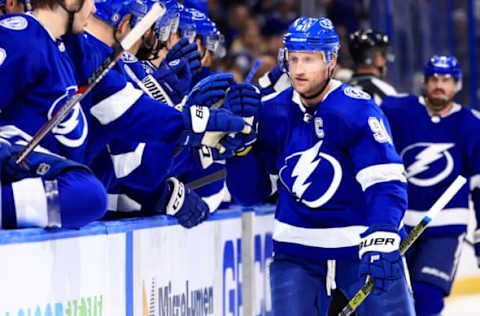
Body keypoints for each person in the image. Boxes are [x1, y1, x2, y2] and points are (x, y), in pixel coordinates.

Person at [225, 17, 415, 315]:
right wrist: (240, 151)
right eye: (294, 58)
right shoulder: (272, 112)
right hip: (295, 256)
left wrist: (383, 231)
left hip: (362, 252)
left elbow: (385, 182)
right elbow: (251, 194)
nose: (298, 69)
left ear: (331, 60)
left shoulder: (357, 110)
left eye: (309, 60)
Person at [381, 55, 480, 316]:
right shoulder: (399, 111)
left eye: (446, 80)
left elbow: (479, 187)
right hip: (399, 226)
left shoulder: (472, 124)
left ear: (457, 85)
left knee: (427, 297)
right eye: (434, 79)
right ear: (424, 82)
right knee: (392, 302)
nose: (439, 85)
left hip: (445, 228)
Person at [0, 0, 107, 228]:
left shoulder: (59, 49)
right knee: (89, 194)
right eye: (90, 0)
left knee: (89, 193)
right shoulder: (19, 35)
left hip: (29, 164)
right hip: (9, 154)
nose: (94, 9)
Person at [348, 29, 397, 105]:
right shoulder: (386, 91)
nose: (385, 60)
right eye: (384, 54)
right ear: (377, 58)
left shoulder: (338, 93)